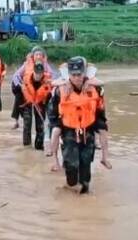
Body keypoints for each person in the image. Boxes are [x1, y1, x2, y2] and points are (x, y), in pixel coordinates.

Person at [47, 56, 108, 194]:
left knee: (85, 173)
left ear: (84, 73)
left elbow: (100, 110)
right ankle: (56, 163)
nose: (76, 78)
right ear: (69, 75)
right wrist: (57, 127)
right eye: (73, 75)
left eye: (79, 74)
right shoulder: (60, 89)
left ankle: (104, 159)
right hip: (68, 130)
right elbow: (52, 114)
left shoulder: (95, 88)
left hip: (88, 131)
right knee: (72, 167)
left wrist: (101, 125)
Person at [10, 46, 57, 129]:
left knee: (51, 97)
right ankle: (16, 121)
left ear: (43, 57)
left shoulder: (45, 65)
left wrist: (49, 84)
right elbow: (15, 76)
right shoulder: (26, 64)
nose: (38, 56)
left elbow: (52, 77)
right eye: (36, 55)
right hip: (27, 88)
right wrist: (21, 85)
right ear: (33, 56)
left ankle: (51, 121)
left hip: (40, 89)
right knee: (18, 96)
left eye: (40, 55)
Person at [20, 61, 52, 150]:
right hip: (27, 102)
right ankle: (26, 147)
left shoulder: (48, 81)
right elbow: (20, 91)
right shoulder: (26, 79)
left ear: (43, 73)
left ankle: (39, 147)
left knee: (40, 125)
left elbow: (51, 95)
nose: (38, 75)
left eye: (40, 73)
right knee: (27, 124)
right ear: (33, 71)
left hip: (41, 102)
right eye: (37, 73)